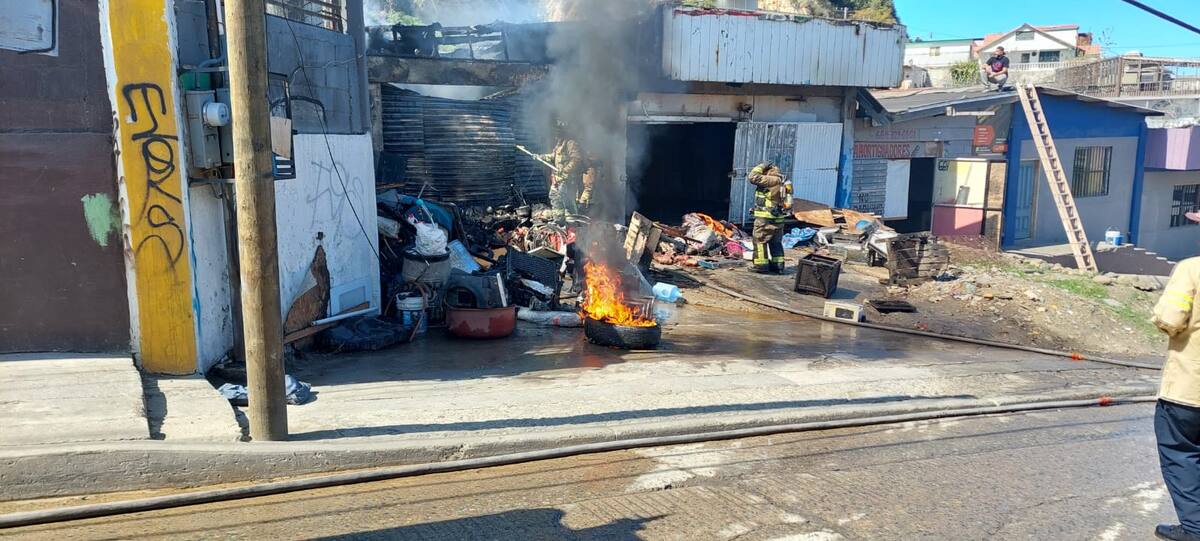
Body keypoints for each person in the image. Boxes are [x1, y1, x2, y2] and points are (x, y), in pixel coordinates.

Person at [1151, 211, 1200, 541]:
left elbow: (1170, 319)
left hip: (1189, 389)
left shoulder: (1192, 269)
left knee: (1180, 452)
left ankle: (1196, 528)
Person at [747, 162, 792, 274]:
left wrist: (762, 165)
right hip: (779, 217)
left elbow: (752, 177)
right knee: (775, 242)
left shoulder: (771, 180)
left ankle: (760, 265)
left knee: (760, 240)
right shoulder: (785, 181)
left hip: (765, 218)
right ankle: (778, 265)